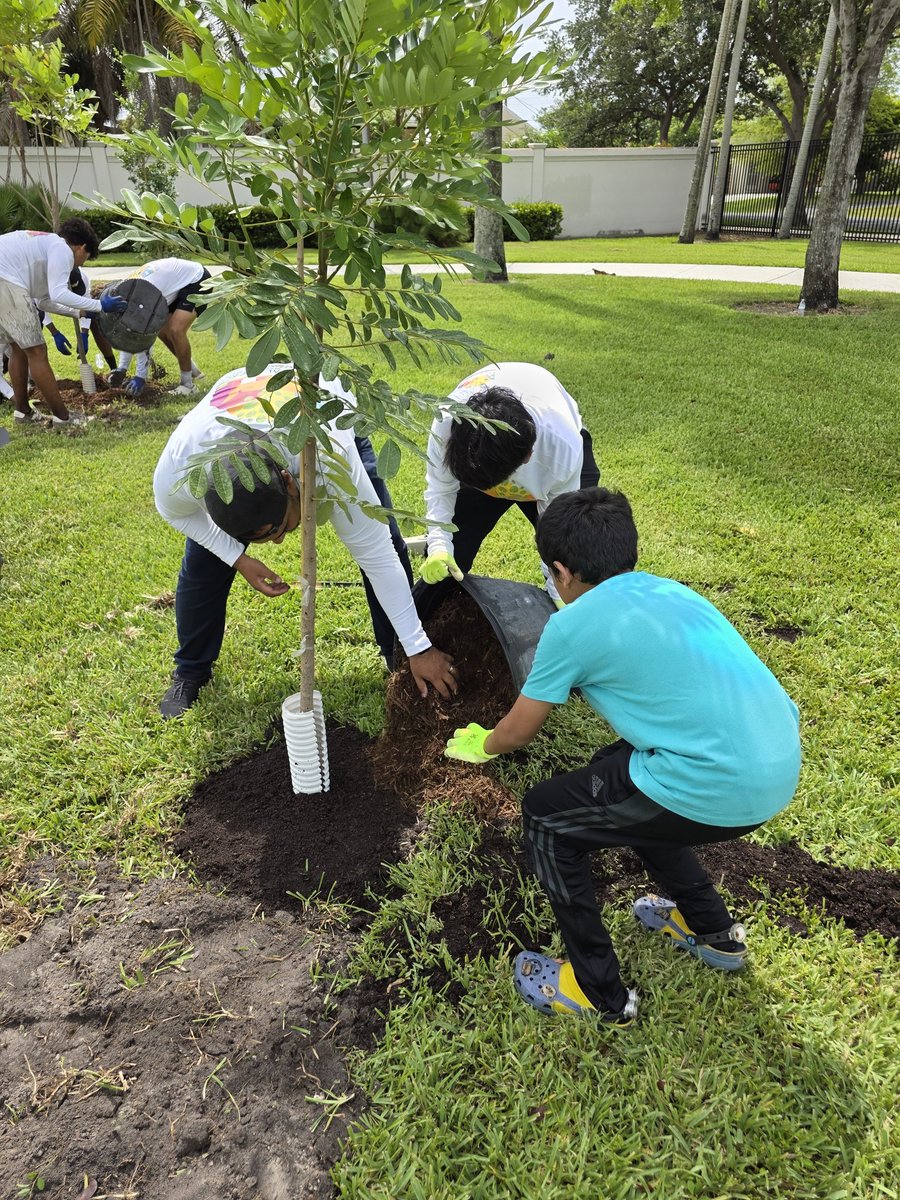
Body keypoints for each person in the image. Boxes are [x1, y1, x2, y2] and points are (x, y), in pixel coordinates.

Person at [445, 488, 801, 1025]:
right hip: (777, 762)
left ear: (561, 572)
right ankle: (714, 933)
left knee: (546, 817)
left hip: (717, 785)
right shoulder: (671, 591)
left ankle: (597, 993)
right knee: (616, 775)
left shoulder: (571, 626)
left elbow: (518, 732)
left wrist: (484, 742)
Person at [153, 363, 458, 719]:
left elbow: (378, 556)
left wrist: (418, 646)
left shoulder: (331, 457)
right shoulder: (181, 469)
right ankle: (190, 672)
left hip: (327, 415)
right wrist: (236, 556)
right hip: (238, 407)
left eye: (280, 528)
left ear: (290, 481)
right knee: (204, 563)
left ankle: (402, 657)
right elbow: (176, 514)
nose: (278, 543)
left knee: (383, 535)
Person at [415, 361, 600, 621]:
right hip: (485, 456)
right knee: (452, 553)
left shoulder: (561, 451)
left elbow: (557, 528)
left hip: (548, 462)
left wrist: (558, 590)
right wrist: (438, 543)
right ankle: (414, 635)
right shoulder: (448, 425)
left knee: (579, 555)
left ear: (527, 457)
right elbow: (440, 488)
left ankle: (589, 623)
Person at [0, 219, 127, 428]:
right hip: (4, 279)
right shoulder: (62, 248)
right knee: (37, 351)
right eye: (85, 258)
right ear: (82, 248)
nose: (80, 264)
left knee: (18, 348)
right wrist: (100, 305)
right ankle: (64, 418)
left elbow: (44, 301)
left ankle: (23, 412)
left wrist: (79, 311)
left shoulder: (44, 250)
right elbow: (59, 293)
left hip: (5, 277)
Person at [109, 257, 210, 396]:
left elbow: (143, 339)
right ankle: (194, 372)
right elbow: (129, 333)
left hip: (196, 279)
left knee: (176, 330)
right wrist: (122, 368)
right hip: (174, 283)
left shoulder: (142, 298)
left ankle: (188, 386)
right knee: (162, 331)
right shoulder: (125, 292)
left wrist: (140, 377)